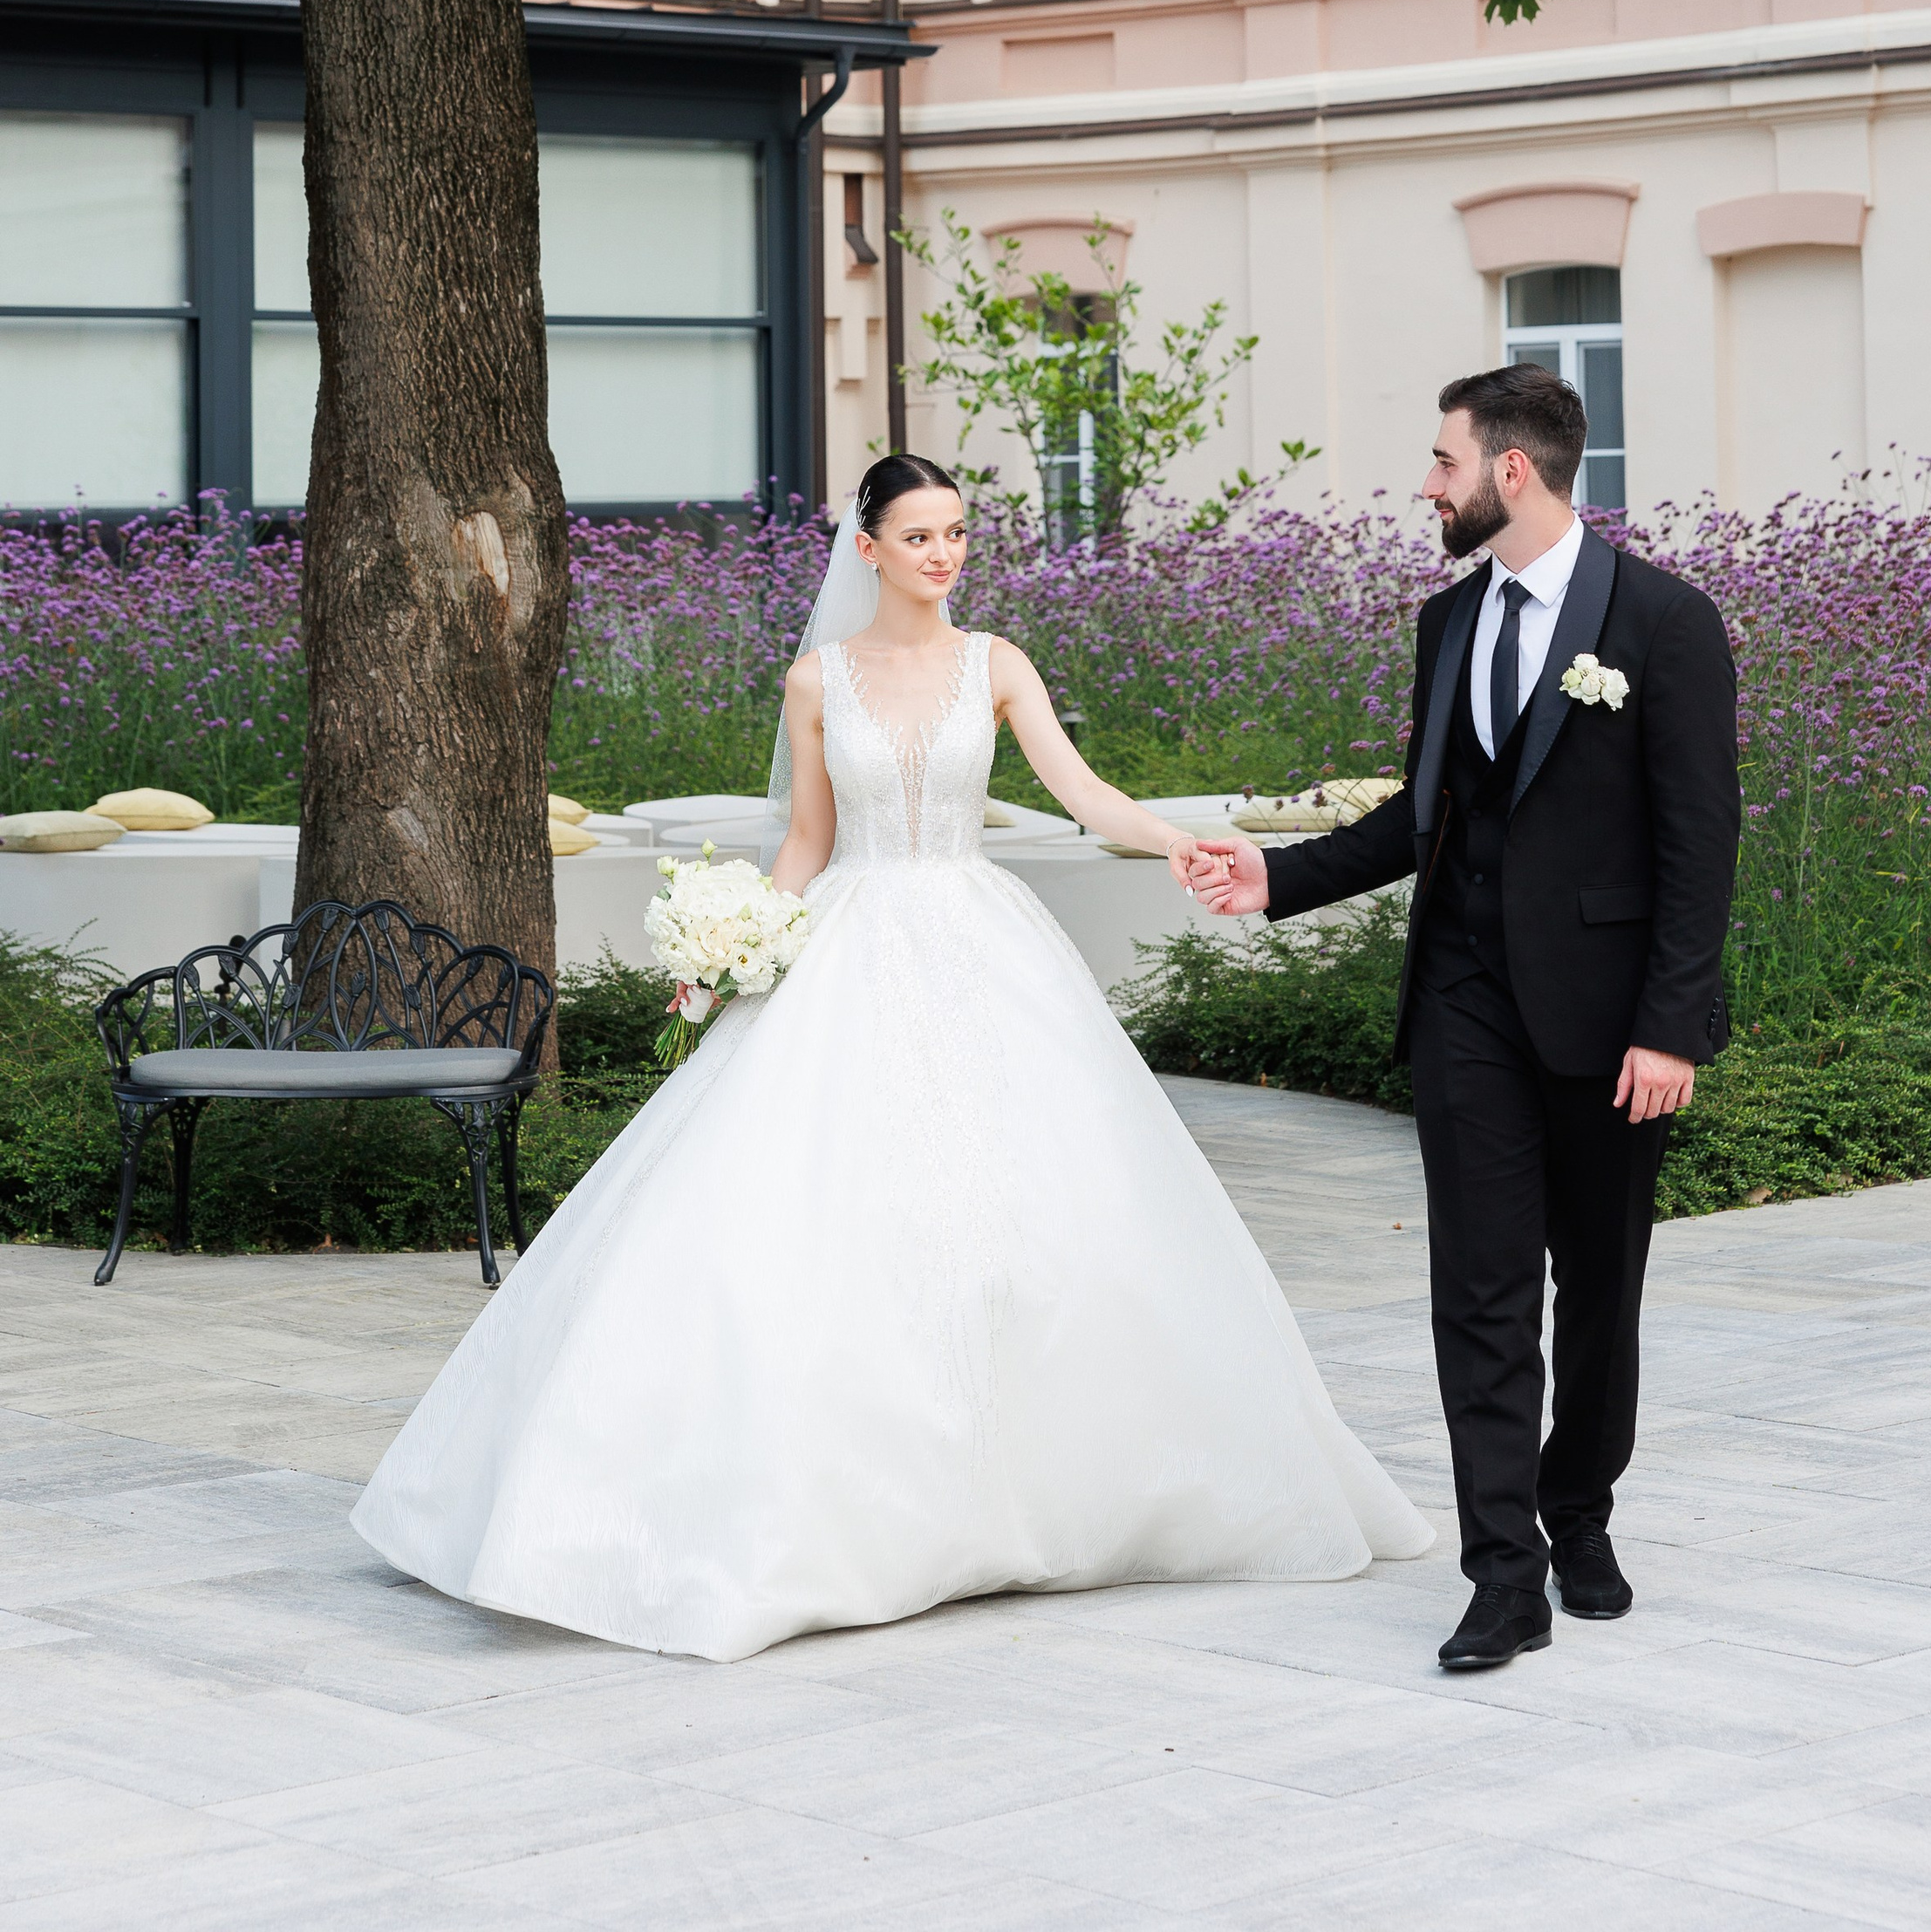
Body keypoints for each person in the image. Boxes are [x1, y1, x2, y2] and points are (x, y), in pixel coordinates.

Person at [352, 452, 1433, 1660]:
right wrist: (735, 943)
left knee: (1032, 1207)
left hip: (980, 939)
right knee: (822, 1204)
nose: (943, 555)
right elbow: (808, 836)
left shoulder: (997, 664)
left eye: (957, 534)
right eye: (919, 536)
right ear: (866, 548)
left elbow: (1085, 794)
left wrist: (1195, 849)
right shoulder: (817, 681)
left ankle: (1039, 1484)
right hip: (852, 942)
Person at [1187, 368, 1739, 1674]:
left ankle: (1578, 1510)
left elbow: (1699, 843)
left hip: (1613, 1027)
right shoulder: (1448, 622)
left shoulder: (1665, 622)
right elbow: (1425, 815)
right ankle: (1504, 1573)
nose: (1424, 485)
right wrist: (1280, 877)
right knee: (1479, 1295)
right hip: (1465, 1006)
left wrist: (1672, 1027)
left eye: (1442, 461)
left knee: (1600, 1293)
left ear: (1511, 472)